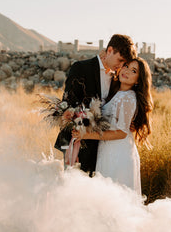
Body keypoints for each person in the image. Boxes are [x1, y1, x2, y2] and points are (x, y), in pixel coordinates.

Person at [54, 34, 137, 175]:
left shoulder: (117, 79)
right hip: (77, 144)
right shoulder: (81, 68)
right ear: (110, 50)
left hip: (103, 148)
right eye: (120, 60)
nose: (121, 66)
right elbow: (68, 106)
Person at [72, 57, 153, 194]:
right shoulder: (117, 93)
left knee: (114, 198)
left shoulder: (128, 97)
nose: (126, 71)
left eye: (133, 71)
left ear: (138, 80)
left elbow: (121, 133)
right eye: (126, 66)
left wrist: (86, 135)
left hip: (118, 154)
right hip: (108, 150)